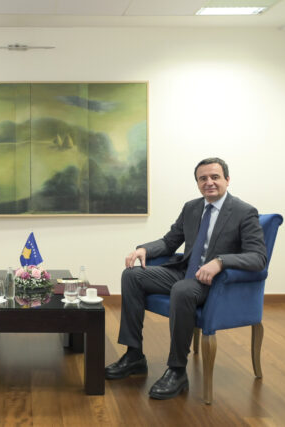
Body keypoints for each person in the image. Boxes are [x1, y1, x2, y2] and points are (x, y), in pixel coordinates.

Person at [105, 157, 267, 400]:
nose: (209, 182)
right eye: (203, 178)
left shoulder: (244, 212)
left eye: (215, 177)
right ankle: (134, 355)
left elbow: (258, 257)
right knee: (132, 276)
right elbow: (170, 241)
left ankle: (177, 370)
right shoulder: (192, 208)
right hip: (184, 271)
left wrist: (220, 261)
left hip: (214, 283)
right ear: (198, 183)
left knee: (182, 290)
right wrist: (144, 249)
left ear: (227, 180)